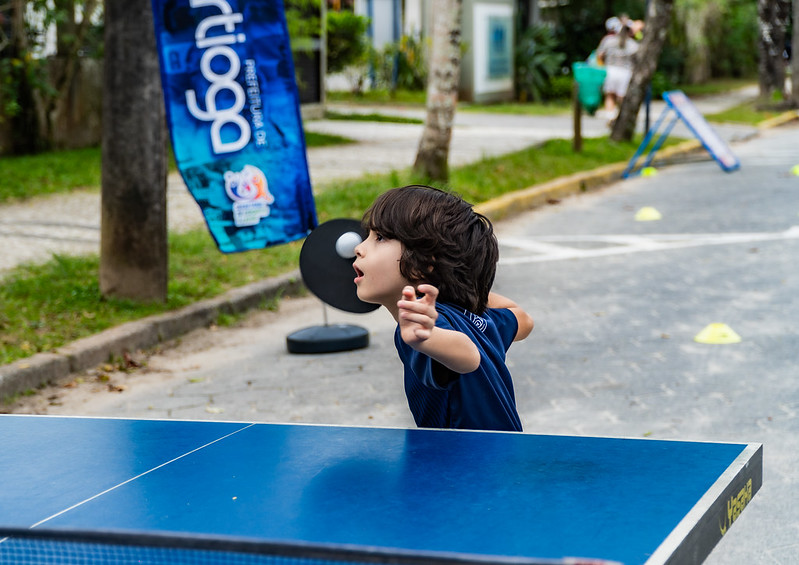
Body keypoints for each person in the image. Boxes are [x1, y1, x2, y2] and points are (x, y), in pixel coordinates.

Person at [353, 185, 534, 432]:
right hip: (501, 458)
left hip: (465, 465)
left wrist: (426, 338)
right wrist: (463, 287)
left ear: (424, 263)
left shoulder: (422, 329)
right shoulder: (476, 320)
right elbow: (522, 318)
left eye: (380, 238)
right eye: (368, 236)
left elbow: (468, 357)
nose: (359, 247)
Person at [596, 16, 639, 119]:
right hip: (626, 72)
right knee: (622, 97)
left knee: (610, 95)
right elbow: (637, 60)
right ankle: (622, 119)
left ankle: (610, 117)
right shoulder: (633, 44)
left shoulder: (608, 40)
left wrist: (602, 65)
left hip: (610, 70)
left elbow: (600, 55)